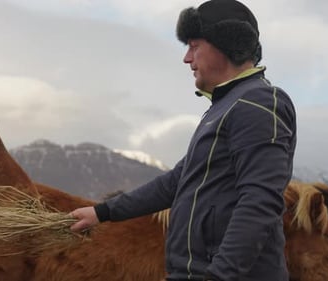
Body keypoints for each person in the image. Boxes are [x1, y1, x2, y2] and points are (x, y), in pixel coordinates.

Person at [69, 0, 297, 280]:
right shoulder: (225, 108)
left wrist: (218, 276)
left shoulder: (259, 104)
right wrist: (102, 212)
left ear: (226, 43)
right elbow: (176, 182)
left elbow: (260, 200)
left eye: (193, 45)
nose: (187, 58)